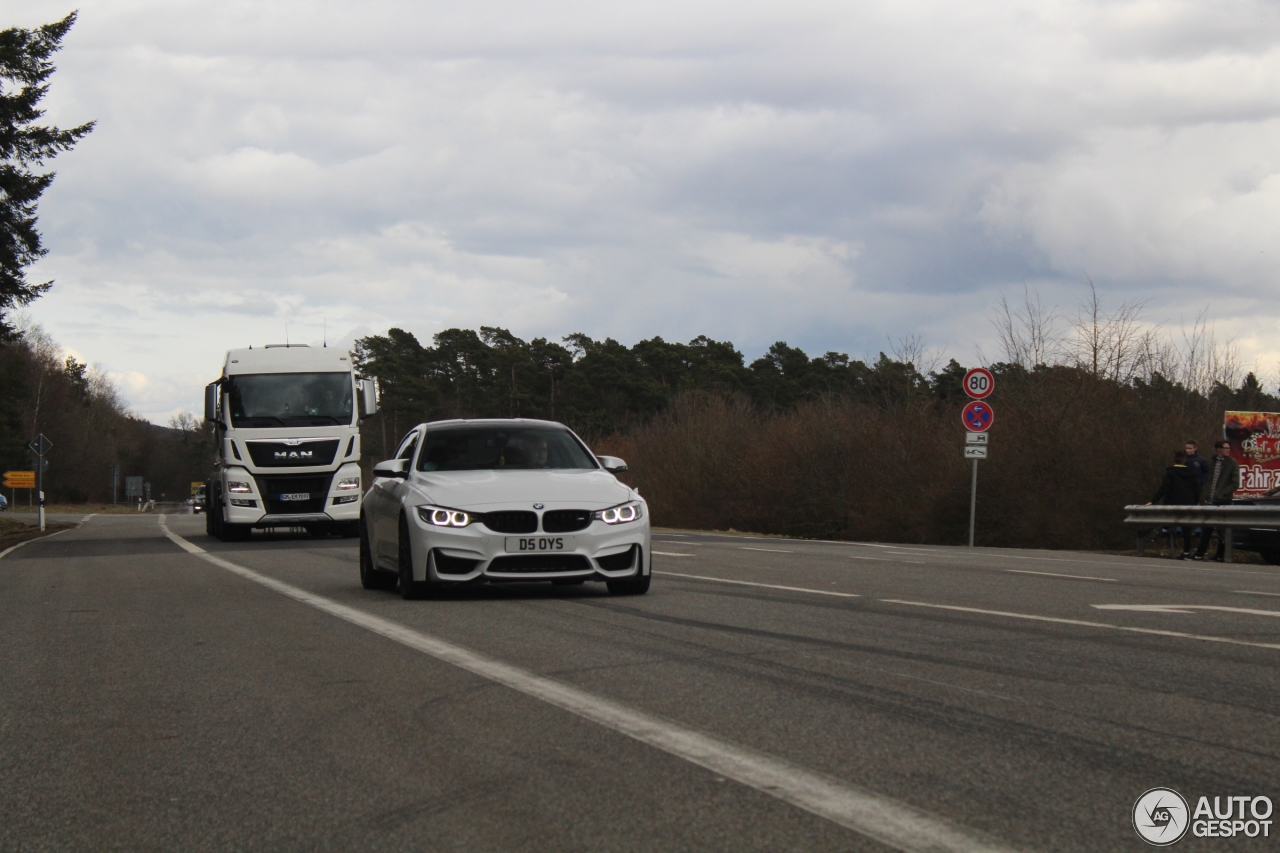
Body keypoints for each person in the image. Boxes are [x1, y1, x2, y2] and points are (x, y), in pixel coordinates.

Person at [1147, 450, 1201, 558]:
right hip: (1188, 503)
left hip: (1173, 503)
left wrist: (1153, 501)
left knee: (1168, 516)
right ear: (1184, 461)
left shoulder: (1171, 473)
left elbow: (1164, 488)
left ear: (1174, 460)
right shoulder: (1192, 473)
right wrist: (1195, 502)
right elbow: (1197, 489)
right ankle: (1187, 551)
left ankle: (1165, 528)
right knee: (1187, 528)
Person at [1194, 440, 1241, 562]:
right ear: (1218, 449)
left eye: (1228, 448)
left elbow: (1235, 483)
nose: (1227, 450)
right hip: (1210, 500)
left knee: (1222, 529)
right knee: (1207, 528)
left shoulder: (1232, 463)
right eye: (1225, 448)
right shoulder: (1212, 462)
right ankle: (1200, 553)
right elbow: (1206, 479)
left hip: (1223, 501)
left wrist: (1222, 493)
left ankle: (1220, 555)